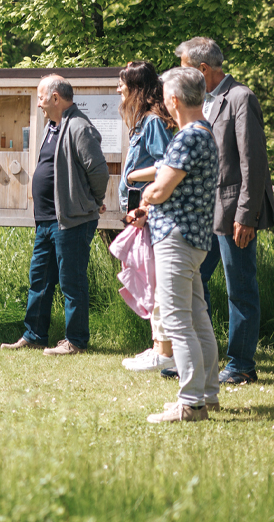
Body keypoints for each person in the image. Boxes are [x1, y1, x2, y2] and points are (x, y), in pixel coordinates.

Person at [175, 37, 274, 385]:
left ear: (202, 70)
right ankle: (191, 357)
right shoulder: (206, 102)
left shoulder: (240, 97)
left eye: (185, 67)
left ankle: (242, 364)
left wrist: (247, 214)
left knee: (240, 287)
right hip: (207, 214)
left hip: (235, 214)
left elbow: (253, 160)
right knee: (193, 282)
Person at [126, 67, 220, 423]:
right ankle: (207, 395)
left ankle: (191, 402)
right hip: (193, 237)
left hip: (176, 239)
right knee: (197, 318)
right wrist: (153, 196)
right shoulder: (203, 132)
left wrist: (148, 195)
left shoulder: (187, 137)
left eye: (165, 92)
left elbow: (160, 189)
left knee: (179, 322)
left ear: (173, 99)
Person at [1, 75, 108, 355]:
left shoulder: (79, 127)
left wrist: (93, 201)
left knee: (72, 282)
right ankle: (34, 335)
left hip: (71, 220)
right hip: (46, 220)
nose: (38, 104)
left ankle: (75, 341)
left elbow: (98, 170)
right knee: (40, 280)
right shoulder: (52, 127)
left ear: (56, 98)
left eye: (41, 97)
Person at [115, 61, 177, 373]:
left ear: (136, 89)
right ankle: (160, 349)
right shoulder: (142, 123)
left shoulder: (152, 122)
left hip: (150, 214)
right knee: (151, 278)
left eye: (122, 85)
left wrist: (136, 176)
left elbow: (167, 164)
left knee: (154, 281)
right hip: (142, 213)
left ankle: (162, 351)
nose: (118, 90)